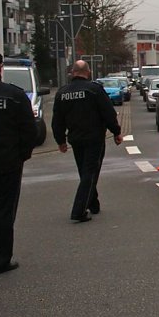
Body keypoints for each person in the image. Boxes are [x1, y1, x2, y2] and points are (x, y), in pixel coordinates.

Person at [52, 60, 123, 222]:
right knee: (90, 173)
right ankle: (79, 210)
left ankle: (93, 204)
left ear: (72, 73)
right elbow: (108, 113)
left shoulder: (62, 93)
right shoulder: (94, 90)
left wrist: (60, 140)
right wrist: (116, 132)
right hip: (94, 138)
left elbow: (57, 120)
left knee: (85, 172)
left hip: (75, 139)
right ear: (88, 72)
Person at [0, 49, 35, 274]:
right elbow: (30, 131)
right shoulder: (15, 95)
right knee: (3, 211)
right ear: (0, 68)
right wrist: (22, 155)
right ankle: (0, 259)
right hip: (6, 163)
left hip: (8, 161)